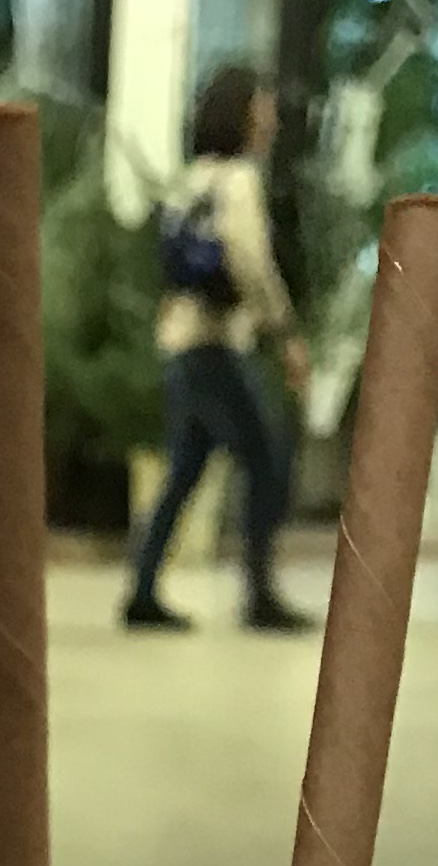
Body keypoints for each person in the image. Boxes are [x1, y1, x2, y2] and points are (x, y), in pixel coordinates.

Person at [122, 61, 310, 635]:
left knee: (186, 468)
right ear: (243, 115)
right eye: (262, 107)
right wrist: (284, 331)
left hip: (180, 339)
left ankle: (143, 589)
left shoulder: (192, 179)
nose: (270, 119)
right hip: (214, 343)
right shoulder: (239, 180)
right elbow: (250, 260)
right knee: (266, 458)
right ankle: (260, 594)